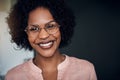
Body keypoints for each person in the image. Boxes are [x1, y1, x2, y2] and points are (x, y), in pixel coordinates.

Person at [5, 0, 97, 80]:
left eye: (51, 26)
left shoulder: (86, 70)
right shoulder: (13, 76)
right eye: (34, 29)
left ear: (62, 27)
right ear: (25, 33)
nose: (43, 36)